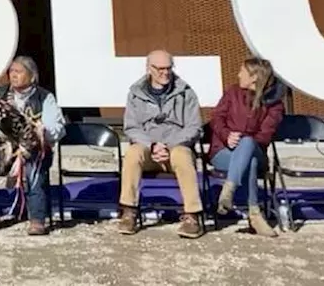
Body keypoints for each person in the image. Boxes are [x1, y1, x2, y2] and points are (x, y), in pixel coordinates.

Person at [0, 56, 66, 234]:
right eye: (11, 71)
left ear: (32, 77)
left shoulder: (45, 97)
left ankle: (37, 220)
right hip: (3, 148)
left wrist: (40, 132)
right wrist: (1, 135)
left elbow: (58, 127)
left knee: (33, 166)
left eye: (19, 71)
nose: (13, 75)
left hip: (35, 150)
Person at [117, 50, 204, 238]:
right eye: (160, 69)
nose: (165, 73)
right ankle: (128, 212)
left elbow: (194, 127)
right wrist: (153, 145)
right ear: (149, 69)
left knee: (183, 155)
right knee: (133, 153)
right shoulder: (135, 94)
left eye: (168, 68)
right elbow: (131, 127)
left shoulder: (186, 93)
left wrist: (169, 145)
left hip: (176, 147)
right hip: (149, 149)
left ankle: (192, 216)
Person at [207, 57, 286, 237]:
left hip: (257, 150)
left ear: (254, 77)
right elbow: (216, 118)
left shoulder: (273, 104)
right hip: (223, 151)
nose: (238, 74)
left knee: (248, 144)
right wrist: (227, 135)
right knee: (247, 162)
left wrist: (242, 141)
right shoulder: (232, 93)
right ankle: (255, 215)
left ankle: (229, 189)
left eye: (242, 71)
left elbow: (265, 135)